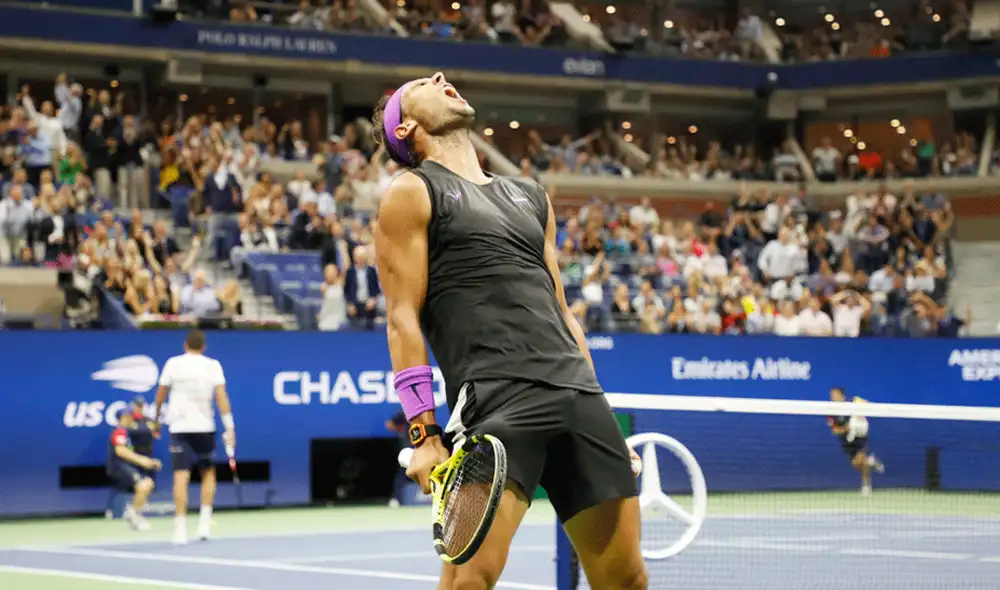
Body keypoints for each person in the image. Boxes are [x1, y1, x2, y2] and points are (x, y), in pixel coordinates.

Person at [371, 72, 646, 590]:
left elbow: (561, 311)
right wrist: (424, 434)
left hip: (576, 394)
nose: (440, 77)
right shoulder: (411, 192)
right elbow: (401, 318)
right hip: (496, 400)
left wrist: (602, 410)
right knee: (469, 580)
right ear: (404, 127)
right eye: (422, 85)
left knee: (626, 580)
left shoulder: (530, 195)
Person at [154, 330, 236, 545]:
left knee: (181, 476)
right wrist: (230, 428)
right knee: (207, 473)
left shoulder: (173, 364)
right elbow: (222, 398)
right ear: (204, 346)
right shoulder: (213, 366)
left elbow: (160, 395)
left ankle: (180, 530)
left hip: (180, 428)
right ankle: (204, 524)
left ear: (185, 345)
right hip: (204, 428)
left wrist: (156, 419)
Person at [107, 407, 161, 531]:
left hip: (127, 467)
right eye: (130, 416)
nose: (132, 419)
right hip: (118, 468)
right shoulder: (119, 431)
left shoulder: (128, 432)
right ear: (124, 417)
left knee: (148, 483)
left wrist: (149, 462)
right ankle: (133, 515)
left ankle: (133, 513)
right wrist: (142, 461)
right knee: (144, 485)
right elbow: (121, 451)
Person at [827, 387, 885, 497]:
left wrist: (861, 405)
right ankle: (871, 461)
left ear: (842, 396)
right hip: (847, 442)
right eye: (832, 396)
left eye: (836, 395)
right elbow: (835, 430)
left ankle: (866, 486)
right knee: (858, 464)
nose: (833, 397)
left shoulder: (853, 402)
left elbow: (867, 405)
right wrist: (847, 428)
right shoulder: (830, 411)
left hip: (860, 438)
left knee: (861, 460)